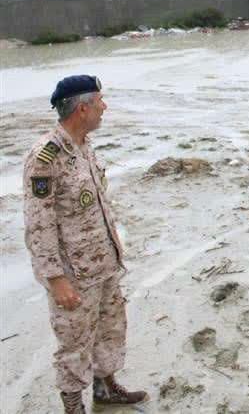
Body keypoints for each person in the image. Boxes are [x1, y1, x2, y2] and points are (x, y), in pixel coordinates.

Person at [23, 75, 147, 414]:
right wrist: (55, 278)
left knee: (110, 328)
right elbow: (39, 223)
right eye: (100, 101)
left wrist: (115, 248)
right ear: (82, 108)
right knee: (74, 343)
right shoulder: (45, 158)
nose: (104, 107)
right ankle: (73, 406)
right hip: (74, 274)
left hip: (103, 262)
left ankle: (106, 389)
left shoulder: (84, 145)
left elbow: (94, 204)